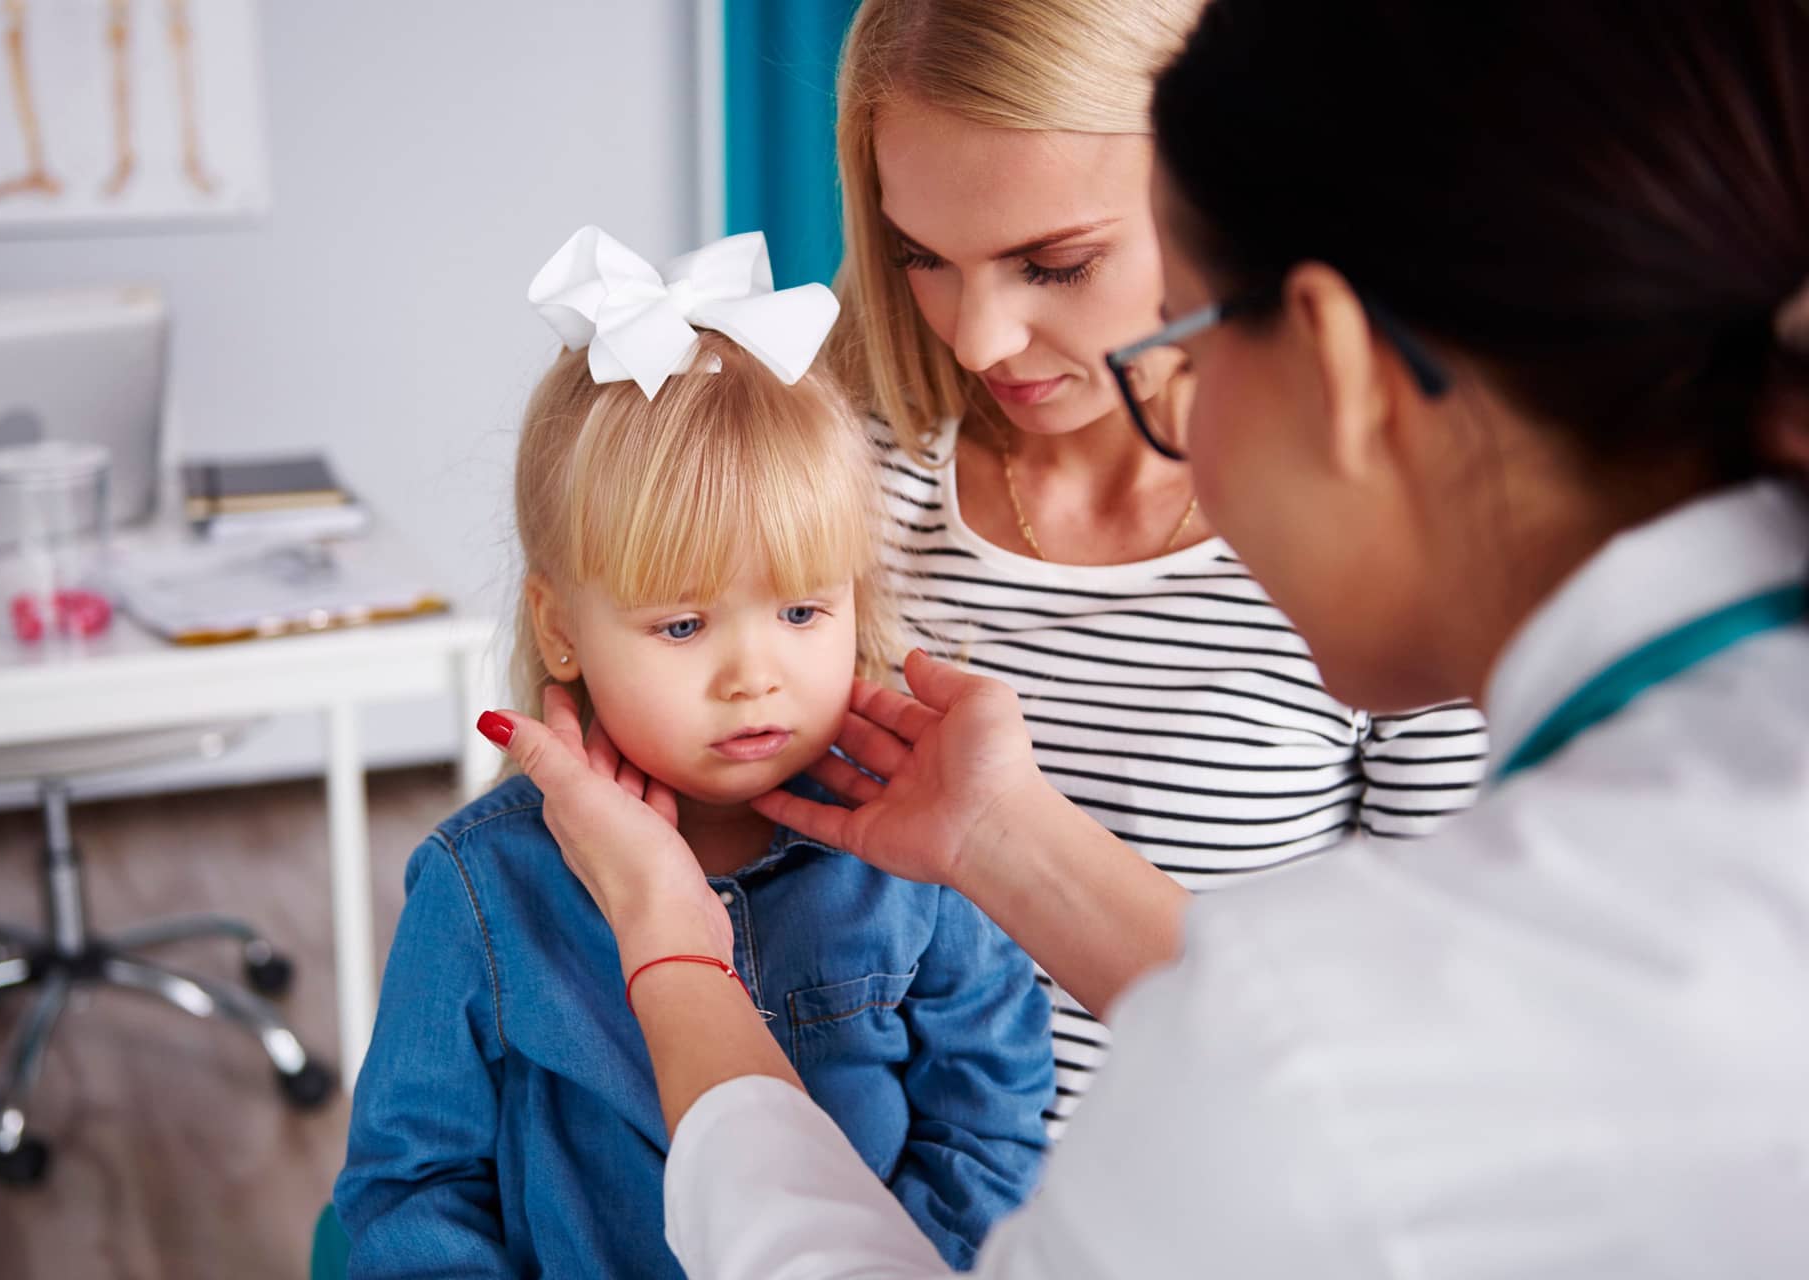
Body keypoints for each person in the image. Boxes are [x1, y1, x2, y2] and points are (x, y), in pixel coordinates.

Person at [480, 1, 1809, 1275]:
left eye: (1183, 367)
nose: (984, 336)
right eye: (922, 255)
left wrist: (673, 951)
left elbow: (1298, 1068)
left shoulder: (1318, 1037)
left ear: (1332, 360)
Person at [335, 227, 1054, 1276]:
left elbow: (988, 1128)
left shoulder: (921, 860)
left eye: (801, 610)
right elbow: (412, 1186)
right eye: (682, 625)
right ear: (559, 628)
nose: (753, 676)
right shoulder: (481, 885)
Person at [828, 0, 1488, 1131]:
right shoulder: (839, 472)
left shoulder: (1394, 547)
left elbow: (1433, 1069)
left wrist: (1009, 841)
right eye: (921, 256)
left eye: (1055, 264)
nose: (980, 338)